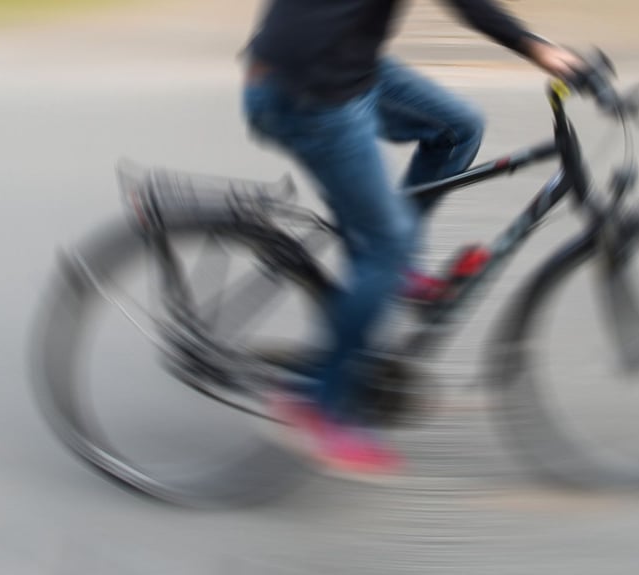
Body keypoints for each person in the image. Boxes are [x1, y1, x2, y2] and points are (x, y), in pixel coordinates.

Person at [242, 0, 585, 475]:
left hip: (334, 70)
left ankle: (390, 265)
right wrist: (537, 49)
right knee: (385, 246)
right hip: (310, 96)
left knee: (457, 129)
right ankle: (319, 404)